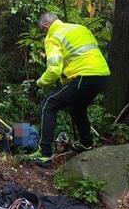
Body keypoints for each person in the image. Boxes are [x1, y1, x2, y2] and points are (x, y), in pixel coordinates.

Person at [25, 12, 111, 168]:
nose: (44, 34)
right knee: (77, 108)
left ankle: (44, 153)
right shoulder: (80, 28)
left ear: (45, 26)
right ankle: (86, 143)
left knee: (49, 104)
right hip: (103, 75)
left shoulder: (52, 36)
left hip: (85, 75)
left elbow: (54, 70)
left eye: (43, 31)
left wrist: (39, 82)